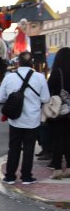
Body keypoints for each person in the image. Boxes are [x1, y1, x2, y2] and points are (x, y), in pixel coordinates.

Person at [0, 51, 50, 184]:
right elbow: (45, 98)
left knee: (13, 147)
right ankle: (26, 177)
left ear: (18, 62)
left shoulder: (9, 77)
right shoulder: (40, 77)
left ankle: (9, 176)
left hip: (15, 119)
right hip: (32, 119)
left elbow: (0, 98)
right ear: (32, 62)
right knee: (29, 148)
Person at [46, 47, 70, 179]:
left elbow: (48, 91)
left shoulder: (56, 73)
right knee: (68, 140)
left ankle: (57, 169)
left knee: (57, 141)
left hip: (58, 111)